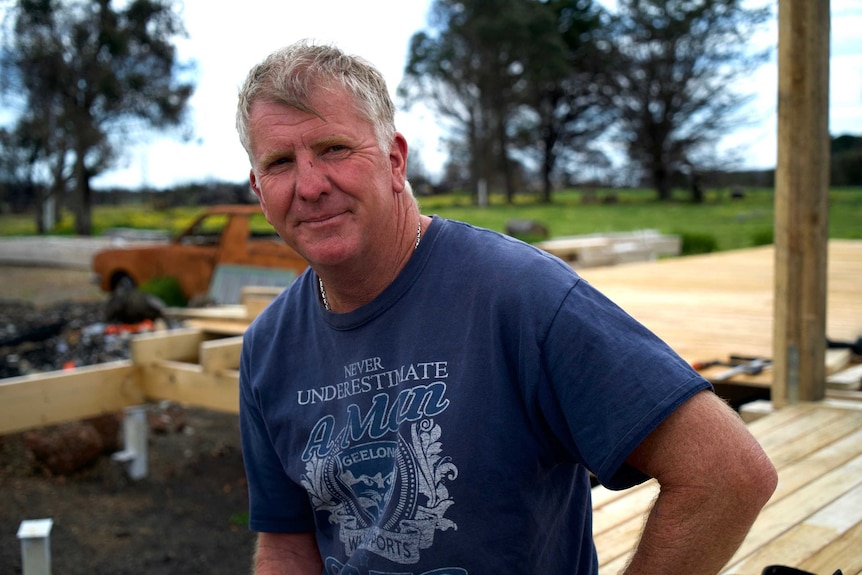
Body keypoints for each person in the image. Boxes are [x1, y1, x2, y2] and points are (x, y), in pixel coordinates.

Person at [235, 40, 777, 575]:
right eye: (281, 162)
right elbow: (288, 545)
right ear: (260, 192)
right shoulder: (268, 346)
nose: (309, 185)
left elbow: (726, 474)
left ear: (394, 160)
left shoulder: (520, 296)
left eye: (334, 149)